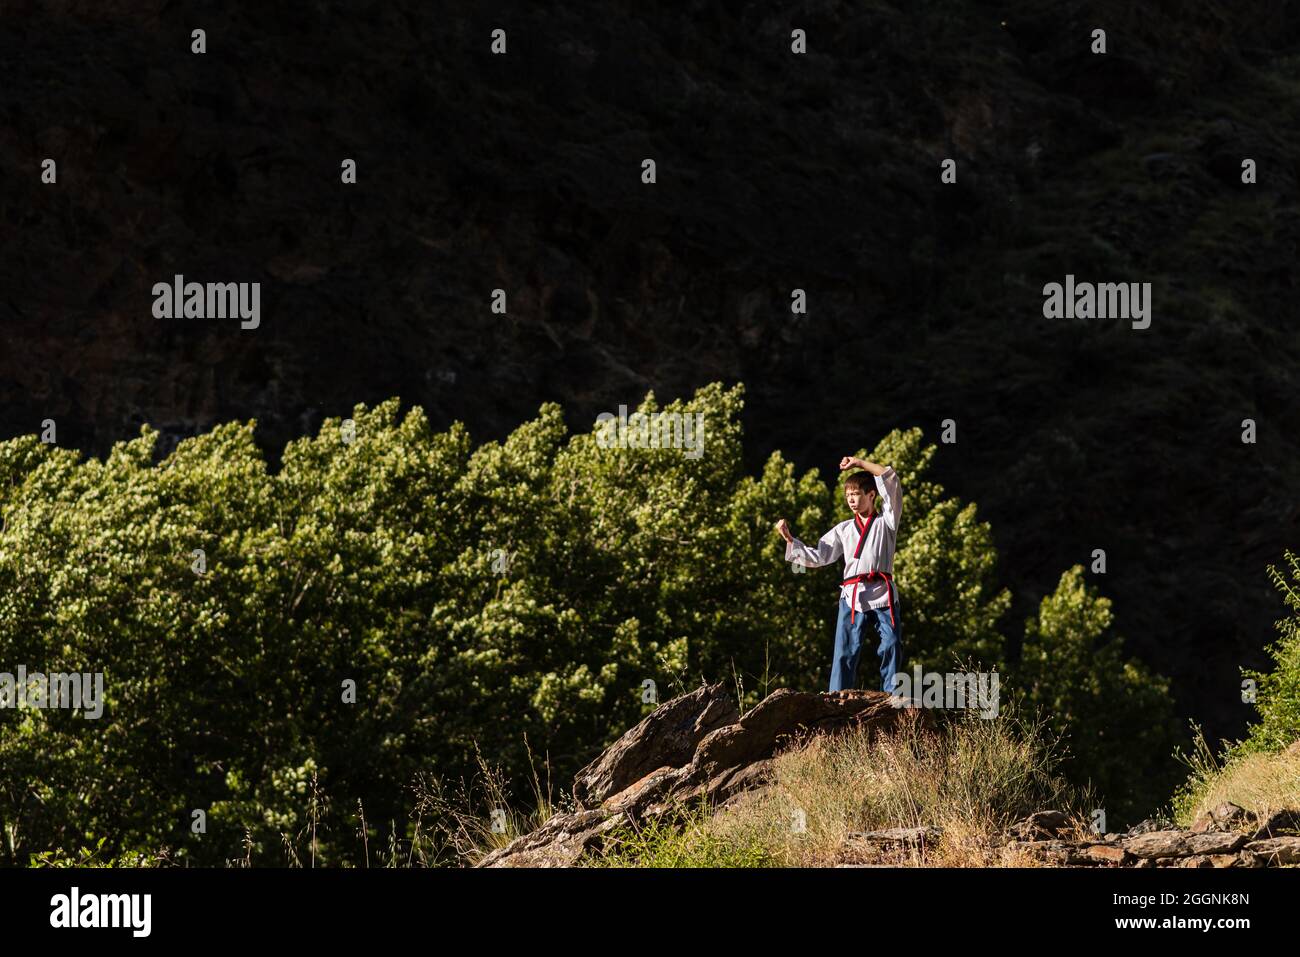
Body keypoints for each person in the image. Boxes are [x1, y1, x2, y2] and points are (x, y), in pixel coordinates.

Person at [775, 456, 904, 693]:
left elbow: (890, 478)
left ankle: (892, 697)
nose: (851, 500)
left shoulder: (887, 521)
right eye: (848, 496)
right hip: (852, 595)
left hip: (883, 592)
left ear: (871, 495)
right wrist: (789, 540)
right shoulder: (843, 529)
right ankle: (836, 699)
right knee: (845, 651)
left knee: (892, 644)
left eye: (856, 494)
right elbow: (818, 557)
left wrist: (859, 463)